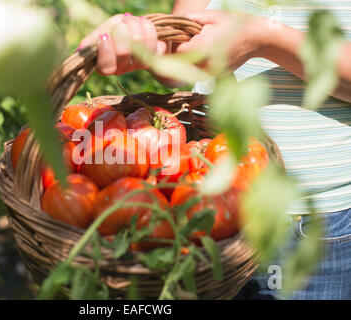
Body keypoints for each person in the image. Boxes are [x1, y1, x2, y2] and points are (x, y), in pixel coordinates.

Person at [78, 0, 351, 299]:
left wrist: (266, 38)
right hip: (200, 204)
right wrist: (150, 48)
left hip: (315, 220)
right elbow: (183, 48)